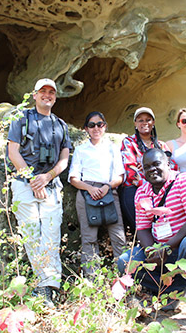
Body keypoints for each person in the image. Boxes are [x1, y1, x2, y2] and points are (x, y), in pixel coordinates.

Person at [117, 148, 186, 330]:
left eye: (156, 164)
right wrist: (153, 251)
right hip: (165, 252)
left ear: (167, 164)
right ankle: (174, 290)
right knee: (126, 261)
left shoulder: (185, 180)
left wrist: (166, 247)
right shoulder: (142, 191)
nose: (152, 170)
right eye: (147, 167)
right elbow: (142, 229)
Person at [7, 78, 71, 307]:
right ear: (34, 95)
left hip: (51, 186)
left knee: (51, 236)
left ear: (55, 96)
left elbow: (64, 159)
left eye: (51, 92)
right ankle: (46, 287)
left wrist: (48, 177)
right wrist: (33, 179)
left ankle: (47, 288)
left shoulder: (60, 125)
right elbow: (13, 151)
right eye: (42, 91)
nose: (47, 95)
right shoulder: (21, 119)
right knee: (32, 235)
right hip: (25, 185)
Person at [68, 111, 127, 276]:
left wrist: (107, 186)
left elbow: (120, 176)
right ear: (86, 128)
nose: (96, 128)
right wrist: (90, 188)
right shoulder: (80, 149)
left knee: (118, 236)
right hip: (87, 192)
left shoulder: (112, 148)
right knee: (89, 238)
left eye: (99, 124)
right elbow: (73, 178)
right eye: (92, 125)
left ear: (105, 126)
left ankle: (124, 277)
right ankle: (92, 280)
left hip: (109, 190)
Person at [119, 107, 174, 234]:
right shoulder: (129, 143)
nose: (145, 123)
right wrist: (148, 180)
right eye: (140, 120)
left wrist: (142, 170)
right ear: (135, 123)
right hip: (135, 191)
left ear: (153, 122)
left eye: (148, 120)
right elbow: (130, 171)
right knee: (143, 230)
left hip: (161, 192)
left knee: (163, 229)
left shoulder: (161, 146)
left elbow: (172, 168)